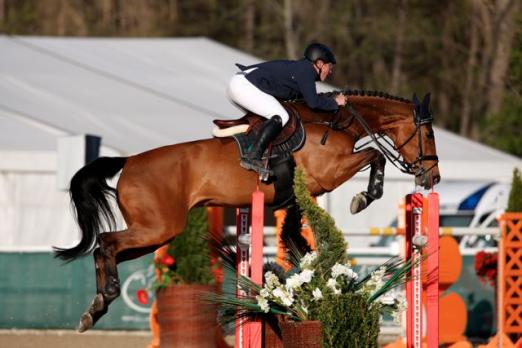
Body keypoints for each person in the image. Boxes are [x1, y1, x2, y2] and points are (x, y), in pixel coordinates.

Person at [227, 43, 347, 175]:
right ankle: (252, 157)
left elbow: (305, 100)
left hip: (239, 84)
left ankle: (257, 152)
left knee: (271, 118)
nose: (330, 71)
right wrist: (335, 102)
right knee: (281, 116)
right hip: (244, 86)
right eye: (329, 66)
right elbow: (313, 103)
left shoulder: (302, 69)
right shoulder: (306, 71)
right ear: (319, 63)